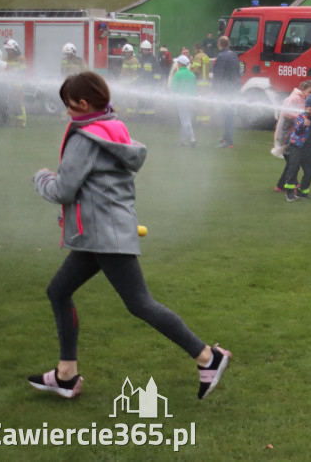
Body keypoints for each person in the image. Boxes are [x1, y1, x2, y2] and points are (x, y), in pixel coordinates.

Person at [28, 71, 230, 400]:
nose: (67, 112)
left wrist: (41, 177)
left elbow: (63, 189)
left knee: (141, 304)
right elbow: (96, 186)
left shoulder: (85, 138)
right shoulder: (115, 129)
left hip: (105, 236)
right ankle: (66, 374)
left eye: (69, 106)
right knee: (59, 290)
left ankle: (208, 357)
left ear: (83, 103)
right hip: (100, 233)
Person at [274, 80, 311, 192]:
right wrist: (301, 116)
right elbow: (286, 112)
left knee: (291, 161)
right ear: (303, 90)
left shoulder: (305, 101)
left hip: (293, 137)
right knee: (293, 161)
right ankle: (293, 184)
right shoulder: (294, 98)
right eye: (310, 92)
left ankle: (280, 186)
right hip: (285, 136)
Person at [170, 55, 197, 147]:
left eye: (178, 62)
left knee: (185, 121)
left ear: (181, 63)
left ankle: (193, 139)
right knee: (185, 120)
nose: (177, 63)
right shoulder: (192, 75)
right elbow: (194, 89)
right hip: (190, 100)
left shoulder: (178, 74)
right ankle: (183, 141)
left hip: (181, 101)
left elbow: (173, 89)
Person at [3, 38, 27, 127]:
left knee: (19, 103)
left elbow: (23, 70)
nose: (8, 51)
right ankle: (14, 121)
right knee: (11, 103)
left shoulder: (21, 58)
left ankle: (22, 122)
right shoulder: (5, 59)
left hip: (18, 85)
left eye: (10, 49)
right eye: (7, 50)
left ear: (15, 49)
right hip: (9, 85)